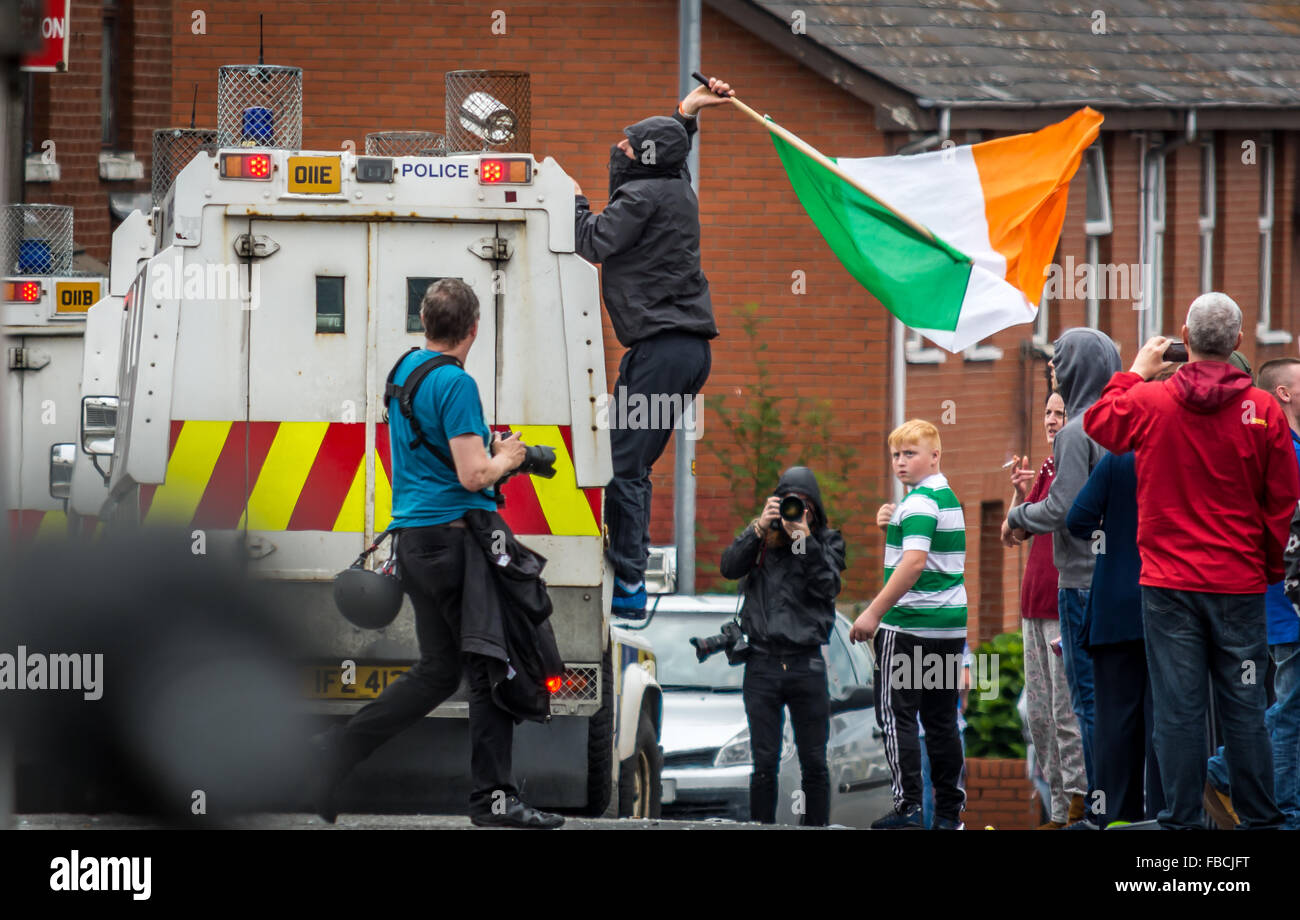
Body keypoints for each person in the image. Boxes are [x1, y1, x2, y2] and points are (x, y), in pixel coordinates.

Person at [310, 279, 564, 829]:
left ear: (424, 324)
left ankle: (332, 754)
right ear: (474, 329)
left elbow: (441, 455)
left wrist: (487, 454)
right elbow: (473, 474)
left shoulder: (403, 371)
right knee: (490, 665)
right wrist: (510, 458)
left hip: (414, 544)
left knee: (437, 671)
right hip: (456, 545)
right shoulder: (456, 383)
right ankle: (493, 801)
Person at [1083, 292, 1300, 830]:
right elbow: (1283, 501)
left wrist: (1134, 370)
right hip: (1240, 585)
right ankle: (1262, 819)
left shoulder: (1152, 403)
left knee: (1178, 709)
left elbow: (1100, 424)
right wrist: (1268, 566)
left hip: (1168, 587)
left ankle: (1181, 820)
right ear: (1238, 343)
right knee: (1245, 703)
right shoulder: (1264, 410)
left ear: (1184, 336)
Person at [573, 76, 733, 619]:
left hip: (662, 353)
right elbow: (662, 160)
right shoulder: (673, 188)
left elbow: (593, 239)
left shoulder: (643, 196)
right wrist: (686, 112)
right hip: (683, 354)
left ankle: (630, 582)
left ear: (643, 156)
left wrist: (568, 202)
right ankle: (631, 571)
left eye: (626, 144)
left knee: (624, 467)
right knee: (630, 462)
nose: (617, 148)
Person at [1003, 327, 1121, 825]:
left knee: (1075, 708)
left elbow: (1063, 510)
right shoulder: (1098, 431)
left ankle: (1084, 805)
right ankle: (1078, 805)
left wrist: (1018, 519)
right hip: (1077, 588)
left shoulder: (1080, 432)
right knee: (1056, 712)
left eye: (1059, 362)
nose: (1053, 369)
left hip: (1075, 587)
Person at [850, 420, 967, 830]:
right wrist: (894, 524)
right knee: (941, 720)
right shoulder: (945, 497)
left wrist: (873, 612)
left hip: (909, 625)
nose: (901, 462)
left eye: (910, 453)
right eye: (896, 455)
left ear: (935, 455)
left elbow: (914, 564)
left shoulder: (918, 503)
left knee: (895, 714)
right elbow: (926, 553)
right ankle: (950, 815)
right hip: (949, 629)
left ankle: (909, 808)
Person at [719, 466, 846, 826]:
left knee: (815, 764)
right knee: (763, 765)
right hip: (762, 664)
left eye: (801, 504)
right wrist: (759, 527)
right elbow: (729, 567)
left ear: (813, 510)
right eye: (787, 503)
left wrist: (803, 538)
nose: (793, 512)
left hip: (806, 666)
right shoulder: (762, 539)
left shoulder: (827, 541)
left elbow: (827, 587)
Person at [1208, 356, 1300, 829]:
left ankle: (1227, 767)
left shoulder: (1291, 442)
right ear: (1282, 392)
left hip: (1279, 599)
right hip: (1286, 602)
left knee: (1291, 705)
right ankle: (1285, 811)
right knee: (1290, 706)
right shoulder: (1282, 444)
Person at [1066, 449, 1165, 827]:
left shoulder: (1116, 460)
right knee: (1164, 722)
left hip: (1113, 607)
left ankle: (1113, 815)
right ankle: (1161, 815)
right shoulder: (1179, 452)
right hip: (1165, 603)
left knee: (1113, 724)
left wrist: (1108, 538)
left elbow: (1078, 519)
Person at [1009, 391, 1087, 829]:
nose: (1053, 420)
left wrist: (1022, 513)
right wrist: (1019, 497)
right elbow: (1013, 534)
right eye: (1048, 413)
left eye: (1060, 413)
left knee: (1065, 712)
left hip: (1063, 602)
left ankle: (1079, 804)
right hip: (1031, 605)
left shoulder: (1073, 466)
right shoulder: (1046, 466)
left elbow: (1042, 517)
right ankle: (1057, 810)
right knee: (1037, 716)